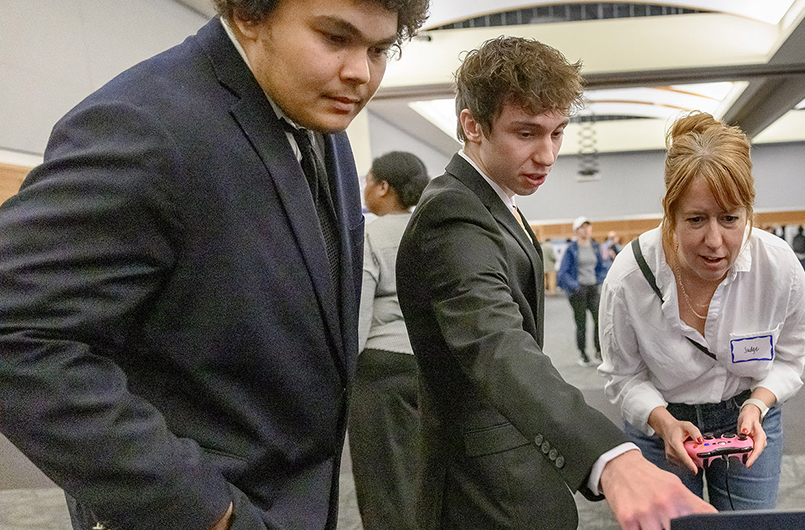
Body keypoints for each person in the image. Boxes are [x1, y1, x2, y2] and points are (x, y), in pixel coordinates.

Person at [0, 1, 429, 529]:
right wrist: (203, 510)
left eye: (380, 49)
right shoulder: (148, 124)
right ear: (250, 15)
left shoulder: (320, 125)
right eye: (335, 38)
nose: (361, 72)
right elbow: (15, 331)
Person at [395, 36, 715, 530]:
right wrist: (613, 459)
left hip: (519, 449)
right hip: (483, 480)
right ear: (471, 126)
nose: (547, 155)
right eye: (526, 133)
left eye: (557, 133)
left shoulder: (492, 202)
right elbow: (496, 345)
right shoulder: (453, 214)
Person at [598, 111, 805, 511]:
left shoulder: (779, 267)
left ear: (749, 212)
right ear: (670, 212)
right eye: (696, 219)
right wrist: (663, 422)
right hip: (659, 422)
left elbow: (790, 359)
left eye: (730, 219)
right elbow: (623, 377)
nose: (715, 241)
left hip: (749, 420)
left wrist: (758, 403)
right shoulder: (629, 277)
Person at [349, 151, 430, 530]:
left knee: (384, 484)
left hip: (380, 372)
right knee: (426, 474)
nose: (364, 188)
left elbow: (358, 312)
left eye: (368, 180)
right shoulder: (433, 230)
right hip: (429, 367)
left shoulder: (368, 235)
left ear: (384, 187)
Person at [558, 216, 608, 366]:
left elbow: (601, 267)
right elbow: (563, 273)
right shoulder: (571, 249)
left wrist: (600, 280)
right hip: (578, 291)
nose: (585, 230)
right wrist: (575, 286)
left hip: (593, 288)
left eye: (588, 227)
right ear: (577, 230)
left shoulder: (595, 247)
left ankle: (599, 351)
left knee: (599, 322)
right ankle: (583, 353)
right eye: (582, 227)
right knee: (581, 324)